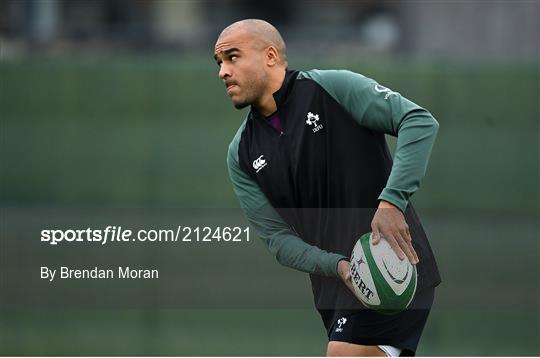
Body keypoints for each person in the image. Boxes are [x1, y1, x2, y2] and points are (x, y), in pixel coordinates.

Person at [215, 19, 441, 357]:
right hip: (336, 288)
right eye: (218, 62)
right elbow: (278, 239)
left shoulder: (331, 88)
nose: (223, 71)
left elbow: (418, 121)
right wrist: (338, 266)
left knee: (342, 354)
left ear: (271, 56)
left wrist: (391, 203)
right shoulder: (241, 153)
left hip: (393, 272)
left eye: (232, 57)